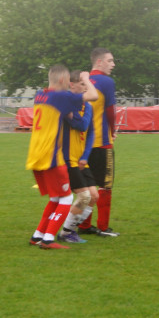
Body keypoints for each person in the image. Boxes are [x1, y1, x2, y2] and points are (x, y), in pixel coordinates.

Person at [25, 65, 98, 250]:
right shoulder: (61, 96)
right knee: (66, 199)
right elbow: (93, 96)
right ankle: (49, 239)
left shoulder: (41, 94)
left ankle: (37, 235)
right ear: (62, 81)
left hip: (35, 154)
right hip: (51, 156)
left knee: (55, 198)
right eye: (68, 81)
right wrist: (87, 78)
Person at [78, 47, 119, 237]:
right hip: (101, 142)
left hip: (82, 143)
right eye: (110, 61)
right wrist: (113, 129)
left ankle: (84, 225)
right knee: (105, 187)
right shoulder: (106, 81)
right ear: (99, 62)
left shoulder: (82, 81)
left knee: (88, 186)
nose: (113, 64)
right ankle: (103, 227)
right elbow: (110, 110)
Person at [59, 70, 100, 244]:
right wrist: (85, 112)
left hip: (80, 158)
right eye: (83, 84)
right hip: (67, 158)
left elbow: (90, 133)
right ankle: (67, 232)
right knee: (84, 197)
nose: (86, 88)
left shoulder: (87, 106)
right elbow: (81, 124)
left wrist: (85, 156)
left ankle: (71, 230)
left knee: (94, 196)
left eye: (87, 84)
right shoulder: (66, 101)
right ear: (72, 84)